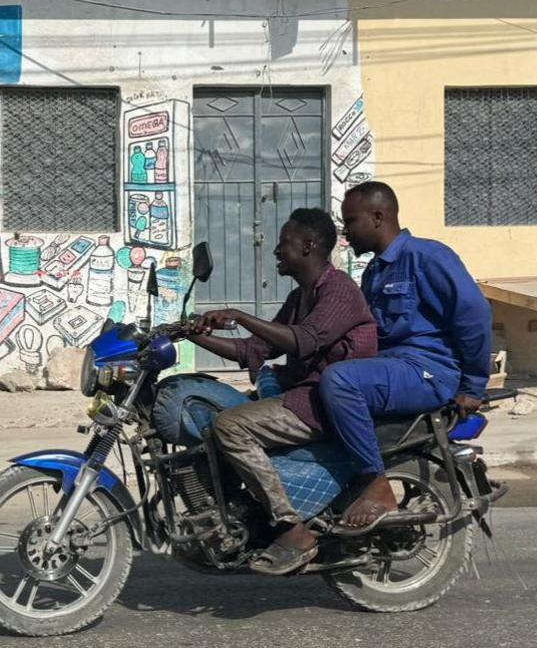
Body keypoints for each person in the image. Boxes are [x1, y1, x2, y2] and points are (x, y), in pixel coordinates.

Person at [180, 207, 377, 575]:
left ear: (309, 245)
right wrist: (193, 335)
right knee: (213, 423)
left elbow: (303, 341)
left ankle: (291, 528)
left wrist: (239, 314)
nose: (275, 251)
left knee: (230, 426)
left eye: (283, 243)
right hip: (304, 395)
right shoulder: (299, 297)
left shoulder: (339, 292)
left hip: (323, 403)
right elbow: (253, 350)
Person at [322, 181, 492, 535]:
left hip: (428, 371)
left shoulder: (427, 256)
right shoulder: (374, 272)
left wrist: (474, 385)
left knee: (339, 380)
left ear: (378, 217)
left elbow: (473, 314)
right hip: (395, 369)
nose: (346, 233)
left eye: (351, 222)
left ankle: (377, 485)